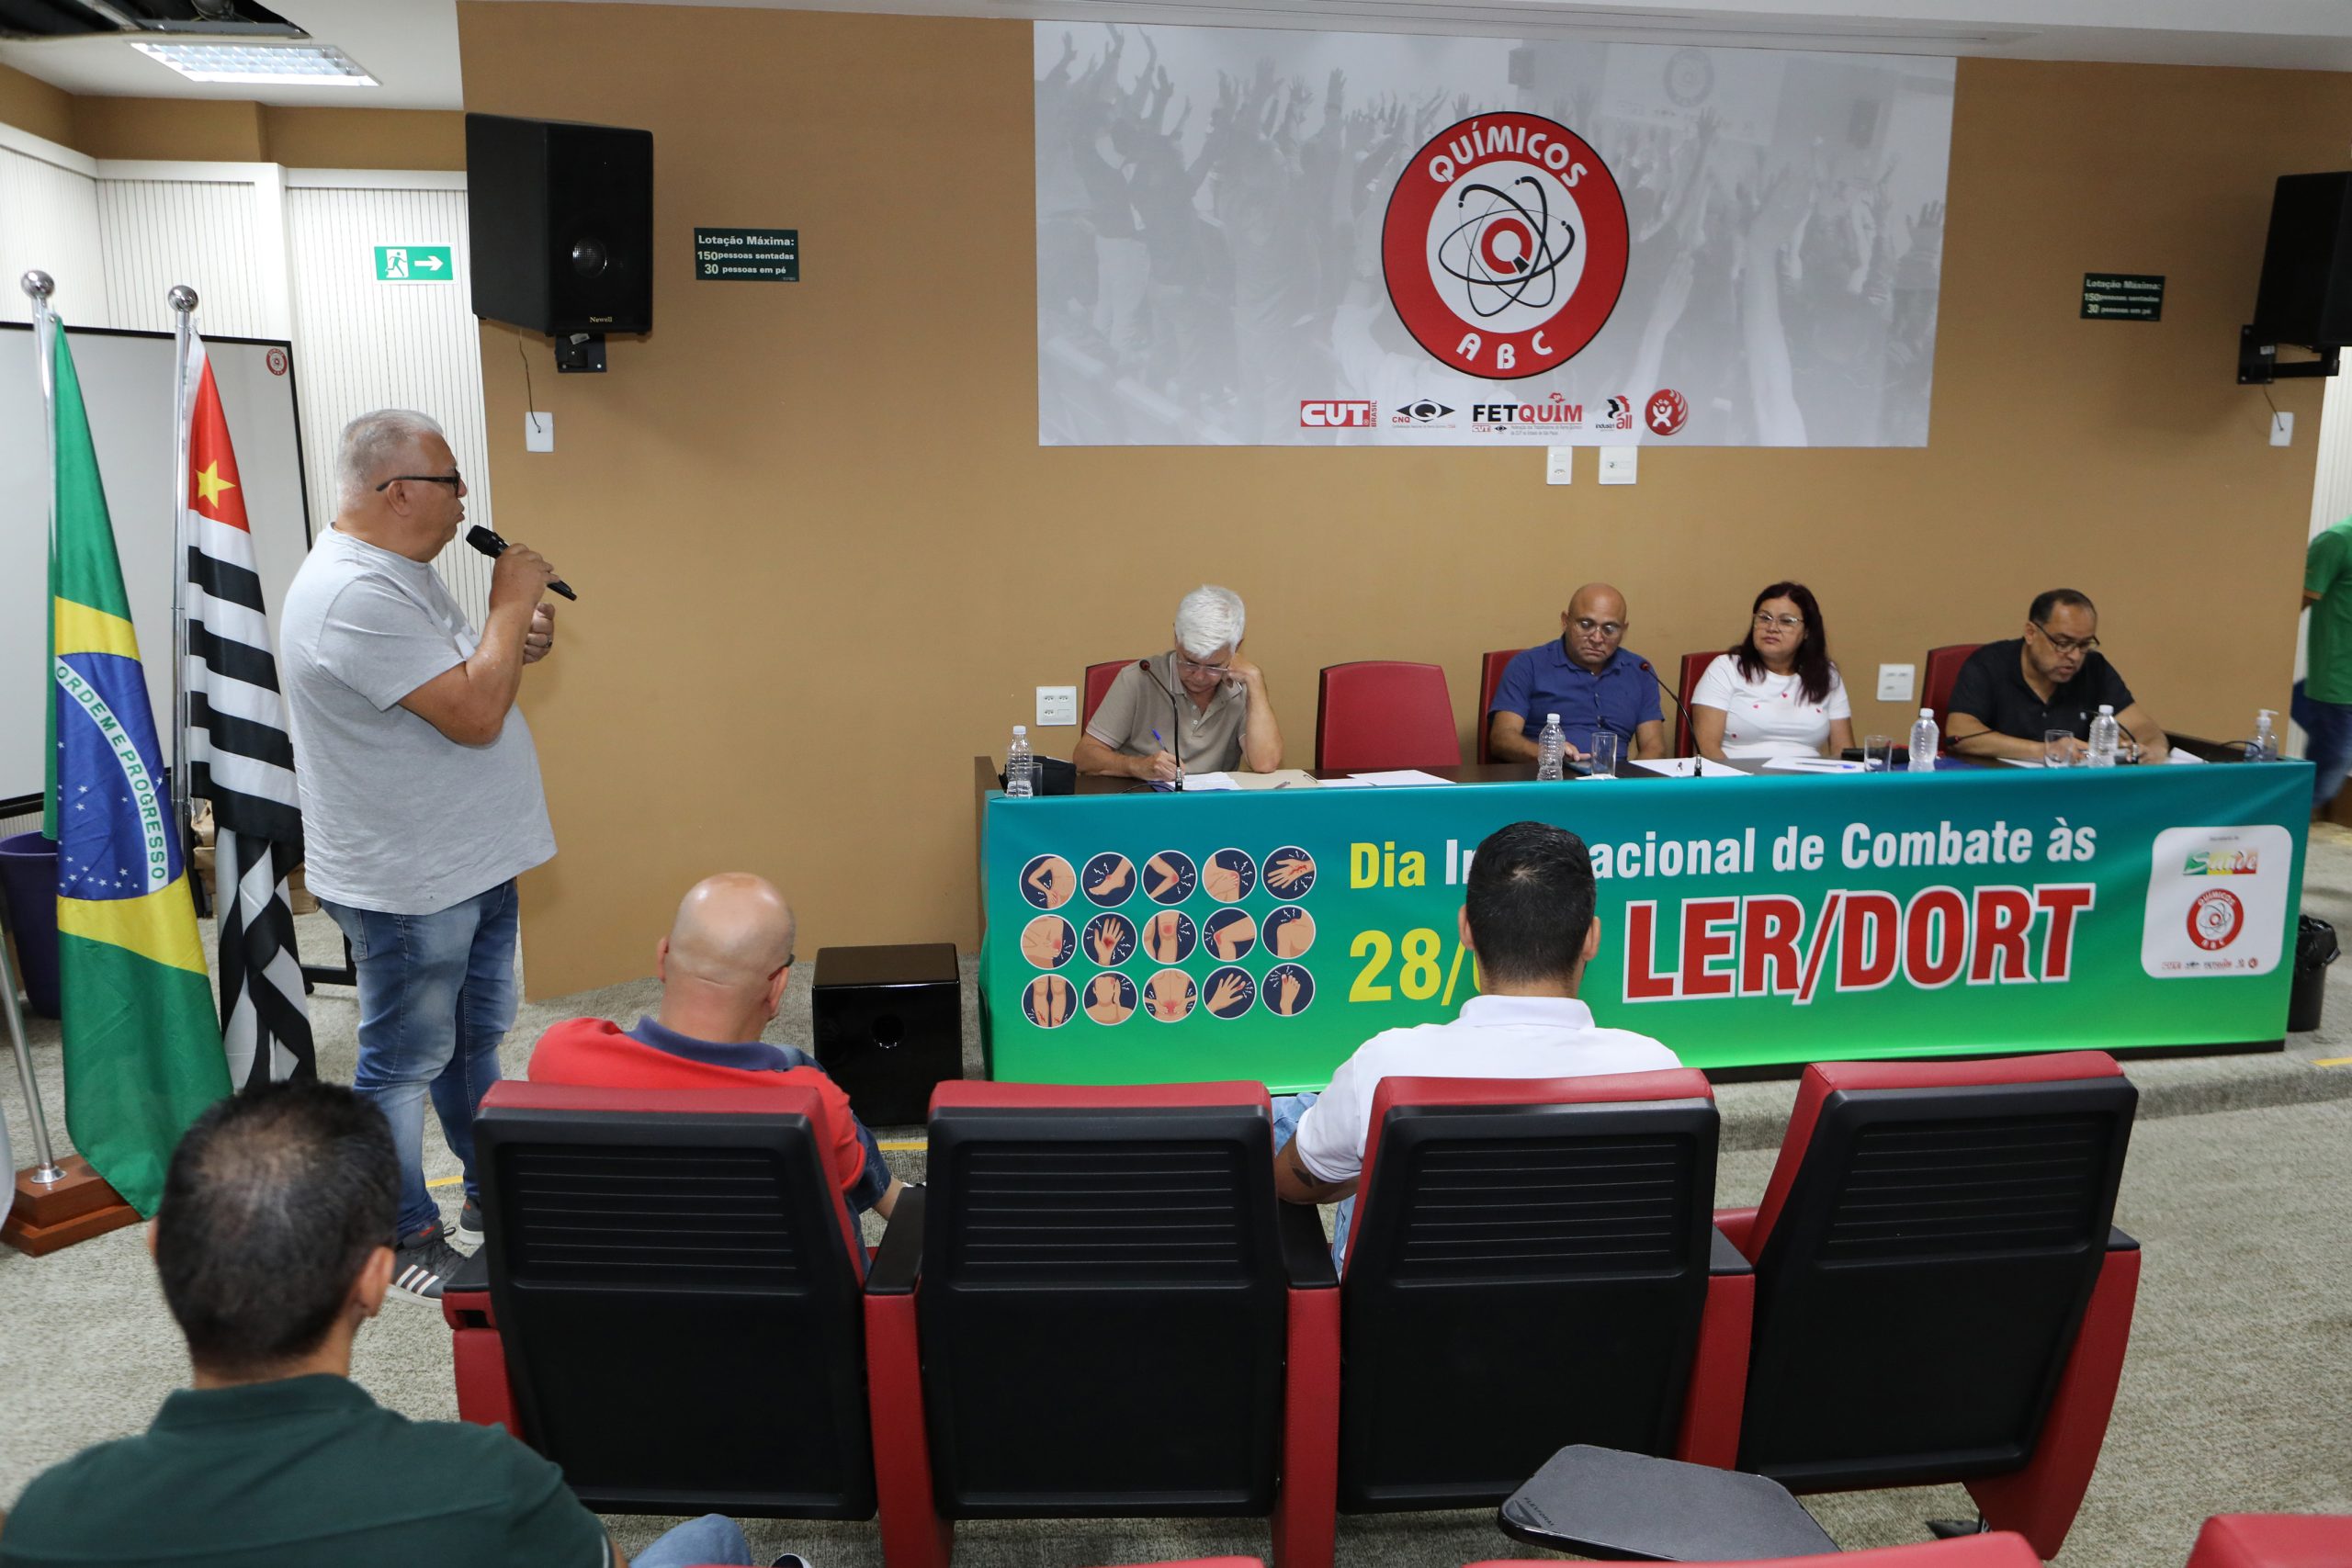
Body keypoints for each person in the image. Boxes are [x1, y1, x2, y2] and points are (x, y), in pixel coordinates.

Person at [0, 1079, 760, 1568]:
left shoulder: (47, 1522)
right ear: (373, 1278)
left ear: (158, 1244)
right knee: (715, 1537)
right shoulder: (492, 1486)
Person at [281, 409, 562, 1302]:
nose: (464, 497)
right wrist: (510, 598)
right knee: (401, 1061)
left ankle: (492, 1193)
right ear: (396, 491)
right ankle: (402, 1235)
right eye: (449, 481)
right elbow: (476, 716)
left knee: (472, 1043)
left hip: (468, 859)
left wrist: (509, 638)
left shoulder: (401, 571)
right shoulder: (350, 593)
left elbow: (462, 677)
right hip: (411, 879)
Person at [1272, 821, 1679, 1267]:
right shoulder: (1658, 1072)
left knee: (1303, 1118)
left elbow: (1290, 1183)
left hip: (1411, 1328)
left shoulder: (1389, 1067)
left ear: (1466, 929)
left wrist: (1369, 1163)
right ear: (1591, 938)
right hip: (1598, 1327)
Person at [530, 874, 902, 1219]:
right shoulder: (810, 1108)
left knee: (791, 1058)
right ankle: (902, 1205)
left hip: (606, 1281)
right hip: (767, 1289)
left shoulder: (557, 1055)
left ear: (662, 957)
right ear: (777, 987)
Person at [1076, 584, 1283, 781]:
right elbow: (1084, 757)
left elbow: (1264, 763)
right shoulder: (1139, 678)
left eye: (1213, 666)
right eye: (1190, 662)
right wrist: (1136, 765)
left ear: (1236, 647)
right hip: (1144, 802)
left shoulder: (1243, 682)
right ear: (1176, 638)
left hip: (1213, 807)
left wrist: (1256, 681)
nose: (1200, 676)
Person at [1946, 589, 2169, 763]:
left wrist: (2154, 749)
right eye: (2063, 643)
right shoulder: (1989, 664)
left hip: (2074, 794)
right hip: (2000, 793)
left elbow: (2141, 725)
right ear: (2031, 633)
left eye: (2084, 645)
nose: (2074, 656)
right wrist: (2044, 750)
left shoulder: (2094, 668)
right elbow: (1960, 734)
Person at [1487, 583, 1669, 764]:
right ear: (1565, 621)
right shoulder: (1528, 665)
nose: (1597, 638)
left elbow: (1654, 747)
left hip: (1614, 784)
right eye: (1586, 625)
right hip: (1548, 780)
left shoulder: (1639, 670)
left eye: (1609, 629)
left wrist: (1632, 787)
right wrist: (1547, 753)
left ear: (1624, 630)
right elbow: (1502, 738)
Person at [1690, 581, 1855, 761]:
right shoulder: (1726, 668)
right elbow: (1706, 749)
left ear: (1807, 631)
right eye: (1764, 618)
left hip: (1808, 783)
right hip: (1740, 782)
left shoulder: (1827, 675)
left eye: (1786, 621)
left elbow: (1843, 750)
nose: (1772, 628)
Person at [2299, 514, 2352, 811]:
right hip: (2339, 683)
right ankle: (2287, 830)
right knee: (2329, 771)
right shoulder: (2339, 540)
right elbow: (2292, 602)